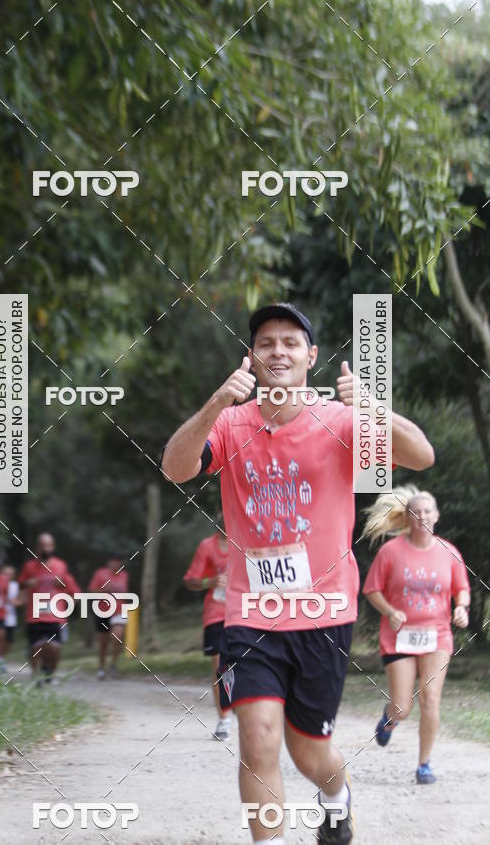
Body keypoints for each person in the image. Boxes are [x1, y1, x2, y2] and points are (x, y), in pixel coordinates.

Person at [160, 302, 435, 845]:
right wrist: (217, 400)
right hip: (250, 612)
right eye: (266, 343)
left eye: (291, 343)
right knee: (258, 740)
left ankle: (336, 798)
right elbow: (174, 467)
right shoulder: (232, 421)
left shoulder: (341, 421)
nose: (278, 351)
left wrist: (374, 408)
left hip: (324, 611)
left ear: (311, 357)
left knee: (309, 749)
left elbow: (422, 455)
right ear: (252, 357)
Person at [362, 485, 470, 784]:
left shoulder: (449, 552)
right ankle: (389, 718)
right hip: (399, 636)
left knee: (430, 699)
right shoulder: (390, 552)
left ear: (436, 516)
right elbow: (371, 590)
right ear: (407, 518)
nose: (422, 516)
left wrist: (461, 607)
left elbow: (461, 588)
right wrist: (389, 611)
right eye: (415, 512)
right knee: (402, 707)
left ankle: (424, 765)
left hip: (436, 635)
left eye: (427, 511)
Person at [183, 518, 231, 740]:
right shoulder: (207, 546)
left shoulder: (248, 541)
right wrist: (210, 582)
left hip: (247, 611)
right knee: (221, 666)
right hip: (216, 613)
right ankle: (224, 719)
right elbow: (191, 581)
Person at [18, 532, 80, 683]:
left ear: (53, 547)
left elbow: (74, 593)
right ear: (37, 547)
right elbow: (19, 585)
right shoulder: (29, 566)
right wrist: (27, 584)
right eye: (42, 545)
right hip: (34, 615)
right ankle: (36, 676)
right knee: (35, 647)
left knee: (54, 648)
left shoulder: (61, 566)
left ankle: (49, 674)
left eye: (49, 545)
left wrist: (66, 604)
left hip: (54, 615)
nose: (46, 548)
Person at [89, 555, 130, 680]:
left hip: (118, 611)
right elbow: (91, 592)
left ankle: (113, 666)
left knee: (117, 638)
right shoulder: (100, 574)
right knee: (103, 643)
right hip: (102, 611)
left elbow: (125, 592)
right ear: (109, 562)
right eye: (114, 561)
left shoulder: (124, 575)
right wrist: (104, 591)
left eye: (119, 562)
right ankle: (101, 668)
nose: (116, 564)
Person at [3, 565, 19, 653]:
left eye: (9, 574)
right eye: (5, 574)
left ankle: (2, 657)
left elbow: (19, 600)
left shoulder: (15, 586)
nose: (7, 576)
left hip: (11, 617)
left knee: (9, 640)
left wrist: (14, 602)